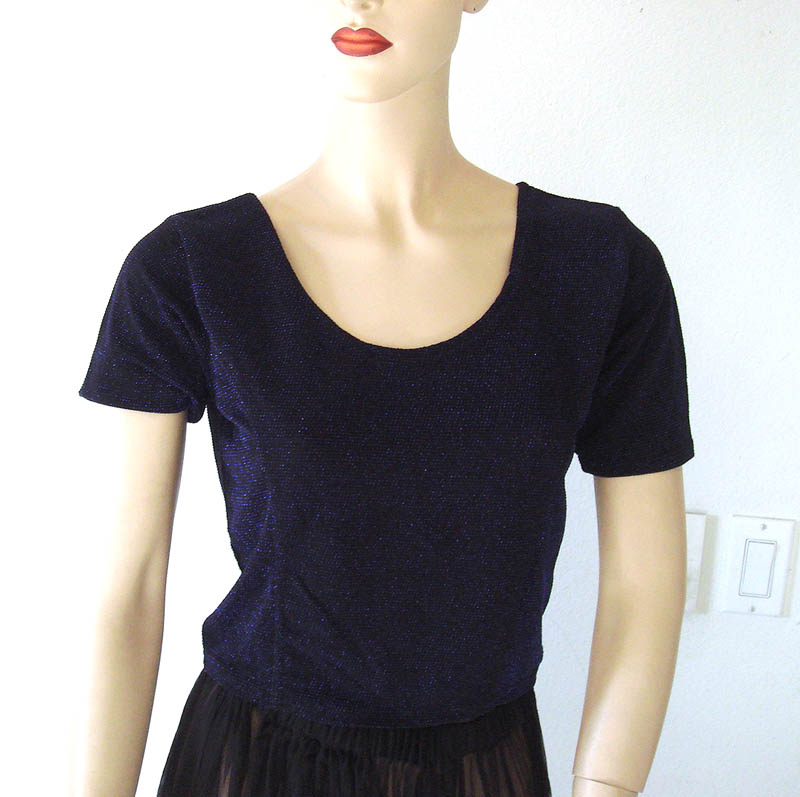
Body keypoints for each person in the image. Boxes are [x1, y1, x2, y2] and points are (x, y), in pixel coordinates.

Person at [73, 1, 695, 795]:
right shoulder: (189, 269)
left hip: (485, 764)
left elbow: (644, 583)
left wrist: (604, 784)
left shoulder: (601, 269)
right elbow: (127, 587)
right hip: (254, 762)